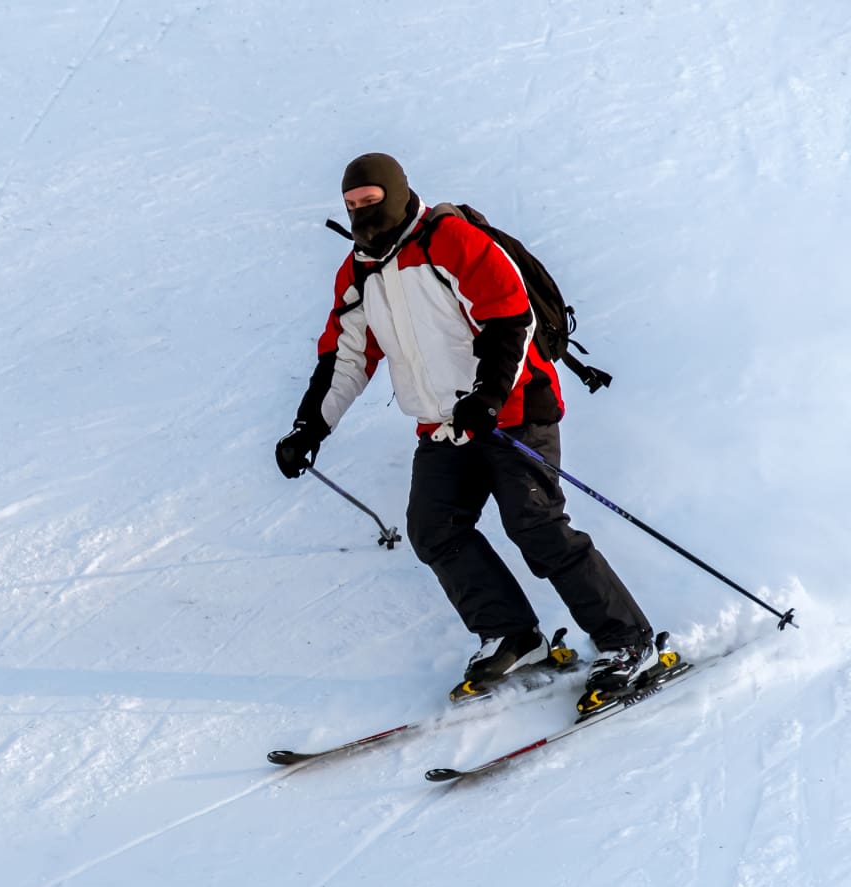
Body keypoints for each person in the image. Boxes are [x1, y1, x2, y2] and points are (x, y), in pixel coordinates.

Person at [275, 152, 655, 706]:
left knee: (536, 526)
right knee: (434, 529)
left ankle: (626, 639)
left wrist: (489, 397)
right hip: (444, 426)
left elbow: (510, 316)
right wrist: (310, 427)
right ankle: (512, 634)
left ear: (398, 192)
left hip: (514, 411)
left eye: (371, 202)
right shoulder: (359, 271)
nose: (361, 214)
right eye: (352, 206)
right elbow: (346, 355)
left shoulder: (450, 239)